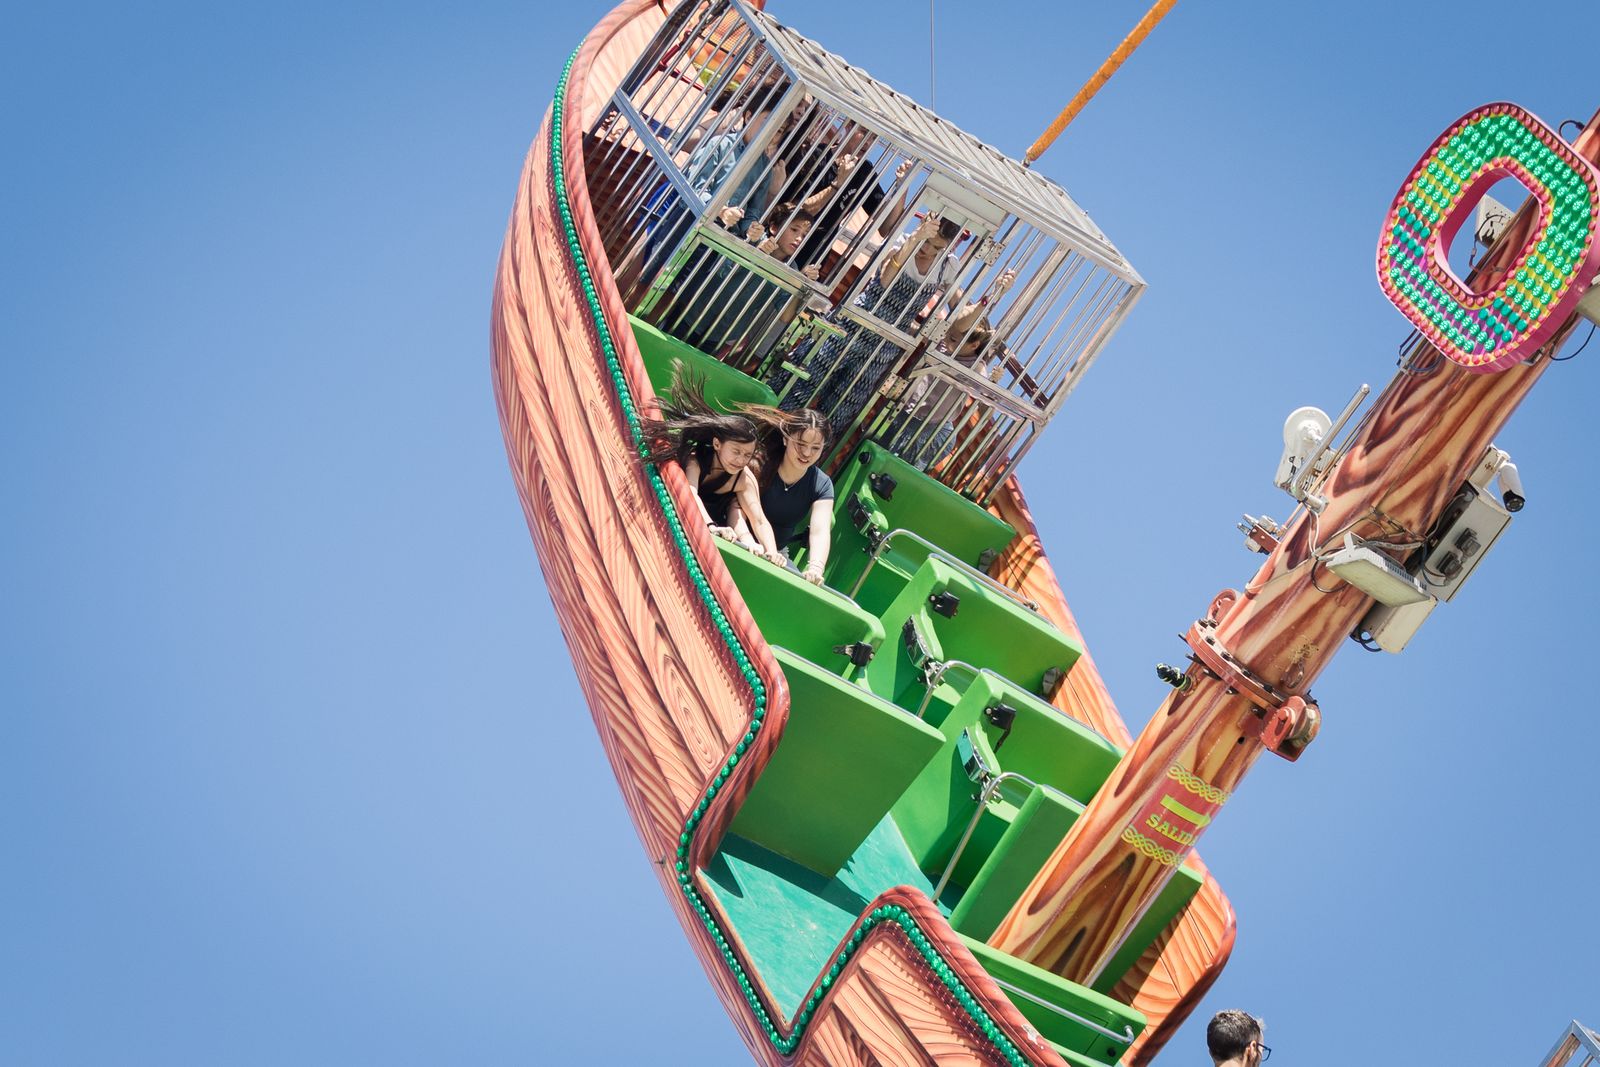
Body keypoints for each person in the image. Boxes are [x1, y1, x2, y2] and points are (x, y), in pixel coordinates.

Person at [773, 212, 964, 435]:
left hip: (885, 345)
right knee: (805, 379)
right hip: (853, 324)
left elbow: (960, 311)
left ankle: (814, 448)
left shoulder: (948, 266)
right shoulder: (901, 241)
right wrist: (914, 240)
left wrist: (988, 301)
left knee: (842, 406)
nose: (929, 250)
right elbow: (886, 279)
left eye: (937, 247)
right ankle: (772, 429)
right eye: (927, 241)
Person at [637, 373, 784, 563]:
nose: (741, 460)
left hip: (720, 527)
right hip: (684, 516)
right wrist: (710, 526)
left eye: (747, 455)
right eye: (736, 451)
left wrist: (771, 551)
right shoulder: (696, 461)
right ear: (717, 444)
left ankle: (748, 543)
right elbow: (691, 494)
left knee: (736, 508)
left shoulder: (743, 478)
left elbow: (759, 520)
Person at [726, 407, 835, 584]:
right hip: (737, 537)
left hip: (777, 555)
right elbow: (736, 510)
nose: (807, 453)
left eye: (815, 448)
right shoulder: (758, 463)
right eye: (800, 444)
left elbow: (820, 531)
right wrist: (748, 543)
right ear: (785, 439)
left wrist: (815, 568)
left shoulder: (822, 484)